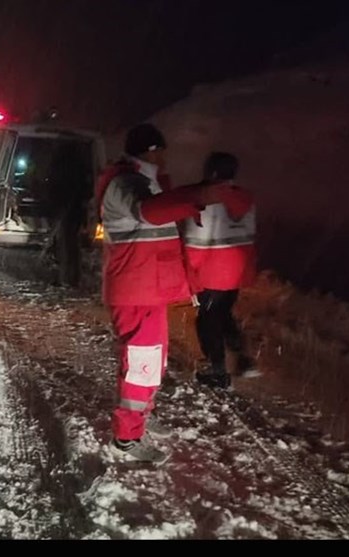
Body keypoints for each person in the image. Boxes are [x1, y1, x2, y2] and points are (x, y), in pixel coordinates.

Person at [96, 123, 231, 463]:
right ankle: (127, 439)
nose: (167, 156)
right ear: (151, 150)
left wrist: (196, 193)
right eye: (162, 150)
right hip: (136, 290)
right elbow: (150, 212)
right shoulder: (126, 182)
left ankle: (140, 416)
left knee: (150, 361)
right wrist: (196, 197)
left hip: (146, 289)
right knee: (142, 364)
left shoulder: (144, 179)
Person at [183, 152, 258, 390]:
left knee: (207, 320)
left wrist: (189, 271)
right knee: (223, 314)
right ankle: (245, 359)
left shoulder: (207, 200)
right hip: (235, 270)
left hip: (211, 271)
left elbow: (198, 241)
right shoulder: (246, 198)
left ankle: (217, 372)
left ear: (212, 172)